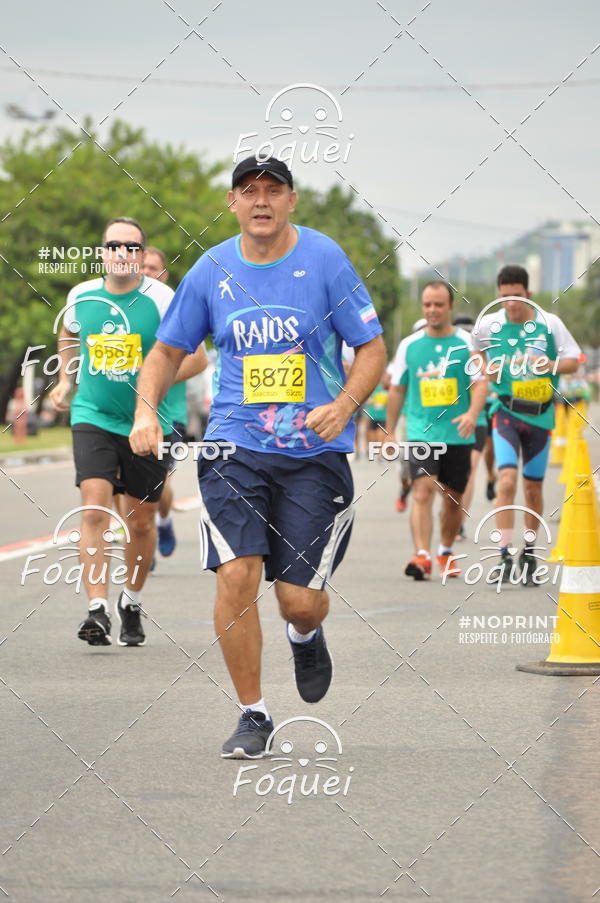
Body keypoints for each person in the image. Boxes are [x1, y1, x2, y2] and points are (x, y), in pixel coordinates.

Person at [129, 156, 386, 759]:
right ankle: (253, 713)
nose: (261, 200)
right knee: (237, 574)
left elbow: (371, 347)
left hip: (312, 454)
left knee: (297, 598)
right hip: (232, 448)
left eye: (273, 190)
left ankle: (306, 631)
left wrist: (346, 404)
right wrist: (146, 411)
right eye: (250, 191)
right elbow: (166, 352)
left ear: (292, 200)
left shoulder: (325, 260)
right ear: (233, 201)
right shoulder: (212, 268)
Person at [49, 218, 206, 647]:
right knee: (95, 509)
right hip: (93, 415)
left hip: (148, 424)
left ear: (141, 254)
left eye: (132, 247)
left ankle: (130, 601)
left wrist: (150, 388)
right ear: (102, 251)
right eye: (114, 245)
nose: (123, 252)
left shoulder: (160, 299)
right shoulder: (81, 296)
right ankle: (97, 609)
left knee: (140, 522)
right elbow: (68, 331)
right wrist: (66, 380)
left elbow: (198, 358)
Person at [472, 264, 580, 583]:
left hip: (540, 414)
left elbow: (574, 361)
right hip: (505, 410)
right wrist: (484, 367)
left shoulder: (551, 324)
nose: (511, 304)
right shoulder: (490, 324)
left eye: (517, 297)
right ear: (499, 296)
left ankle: (529, 553)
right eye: (505, 297)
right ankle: (504, 555)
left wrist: (552, 363)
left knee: (532, 488)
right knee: (506, 482)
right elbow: (474, 350)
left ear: (529, 295)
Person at [386, 282, 487, 580]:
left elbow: (481, 384)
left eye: (438, 305)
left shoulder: (468, 344)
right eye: (427, 304)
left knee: (453, 499)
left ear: (450, 307)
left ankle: (444, 550)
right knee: (422, 490)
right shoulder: (409, 345)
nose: (432, 310)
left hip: (457, 433)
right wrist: (390, 431)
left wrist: (471, 414)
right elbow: (397, 389)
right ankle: (422, 556)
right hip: (421, 432)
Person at [141, 246, 186, 558]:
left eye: (152, 268)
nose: (145, 273)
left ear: (164, 275)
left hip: (168, 413)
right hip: (122, 412)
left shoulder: (172, 307)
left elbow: (193, 359)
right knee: (123, 484)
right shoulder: (120, 304)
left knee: (157, 485)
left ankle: (165, 520)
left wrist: (157, 380)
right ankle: (141, 542)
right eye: (141, 267)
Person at [451, 313, 489, 540]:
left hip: (478, 420)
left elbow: (486, 383)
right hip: (449, 422)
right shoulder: (450, 353)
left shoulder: (482, 352)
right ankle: (452, 511)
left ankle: (459, 522)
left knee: (470, 470)